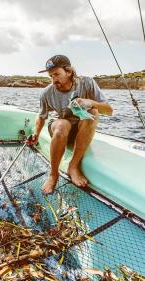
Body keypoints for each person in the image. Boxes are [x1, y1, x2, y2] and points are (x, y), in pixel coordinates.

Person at [29, 55, 113, 194]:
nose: (54, 79)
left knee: (93, 111)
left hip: (80, 129)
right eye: (51, 76)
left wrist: (90, 102)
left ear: (69, 72)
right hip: (59, 128)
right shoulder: (46, 93)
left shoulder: (87, 83)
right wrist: (36, 134)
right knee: (62, 125)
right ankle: (53, 175)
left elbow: (109, 111)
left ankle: (73, 167)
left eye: (57, 74)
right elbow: (42, 116)